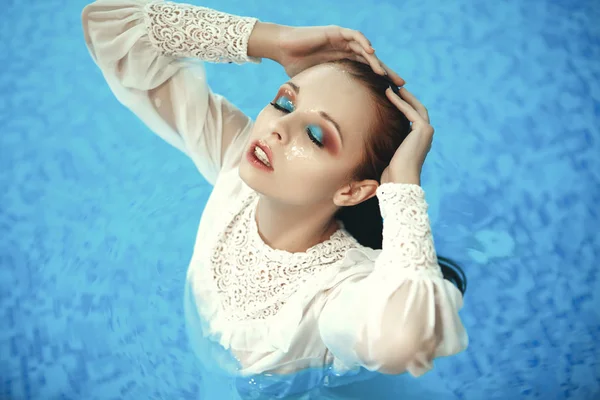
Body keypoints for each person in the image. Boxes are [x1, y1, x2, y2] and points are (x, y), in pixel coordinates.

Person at [82, 0, 468, 398]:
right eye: (285, 102)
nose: (279, 127)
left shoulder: (335, 293)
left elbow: (401, 342)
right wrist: (270, 40)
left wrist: (401, 186)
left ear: (352, 190)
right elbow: (110, 29)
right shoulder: (235, 165)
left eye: (316, 136)